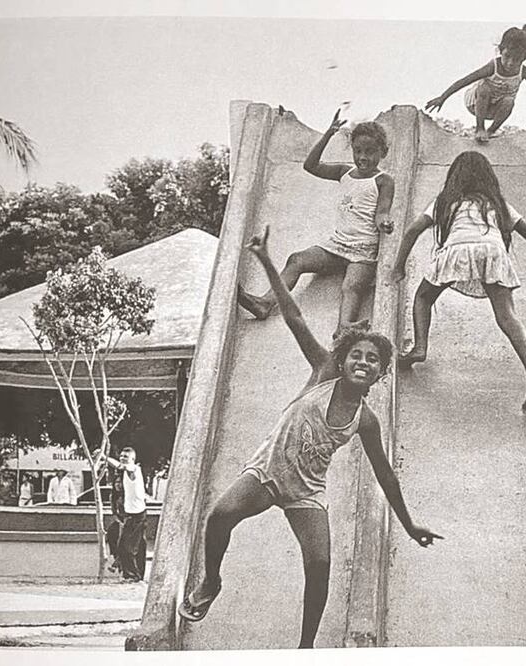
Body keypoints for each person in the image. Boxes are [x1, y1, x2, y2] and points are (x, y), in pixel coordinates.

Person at [180, 227, 442, 649]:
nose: (362, 361)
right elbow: (294, 317)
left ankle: (305, 649)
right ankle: (211, 581)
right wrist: (267, 261)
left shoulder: (366, 420)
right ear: (344, 358)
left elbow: (386, 476)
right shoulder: (323, 371)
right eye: (356, 354)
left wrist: (409, 525)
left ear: (380, 372)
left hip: (306, 490)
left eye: (372, 359)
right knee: (219, 515)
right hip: (267, 472)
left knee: (320, 564)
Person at [391, 151, 526, 411]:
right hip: (493, 250)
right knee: (507, 315)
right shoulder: (496, 203)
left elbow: (412, 231)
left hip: (457, 250)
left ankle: (419, 348)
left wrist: (398, 267)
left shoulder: (445, 201)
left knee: (423, 297)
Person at [237, 109, 395, 335]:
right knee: (297, 259)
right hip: (337, 246)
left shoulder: (383, 180)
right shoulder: (344, 172)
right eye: (358, 150)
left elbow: (382, 211)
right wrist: (328, 135)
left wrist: (384, 222)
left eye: (370, 152)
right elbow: (310, 166)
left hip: (363, 251)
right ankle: (266, 303)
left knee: (352, 286)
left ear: (383, 152)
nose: (362, 157)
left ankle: (344, 327)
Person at [425, 24, 526, 143]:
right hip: (476, 102)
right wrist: (443, 97)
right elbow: (465, 80)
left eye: (516, 60)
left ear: (524, 58)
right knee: (484, 89)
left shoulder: (523, 72)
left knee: (509, 101)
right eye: (507, 56)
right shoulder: (493, 66)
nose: (510, 63)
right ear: (501, 50)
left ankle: (490, 131)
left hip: (496, 108)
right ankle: (479, 128)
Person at [94, 447, 151, 582]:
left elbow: (121, 466)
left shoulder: (134, 469)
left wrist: (104, 457)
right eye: (121, 456)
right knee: (132, 546)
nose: (122, 458)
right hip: (132, 515)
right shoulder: (124, 474)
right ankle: (135, 575)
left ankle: (132, 576)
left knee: (127, 547)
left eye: (126, 456)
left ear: (132, 459)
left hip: (137, 515)